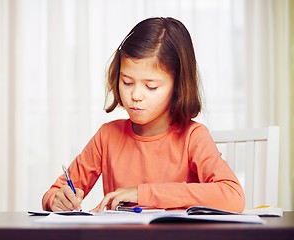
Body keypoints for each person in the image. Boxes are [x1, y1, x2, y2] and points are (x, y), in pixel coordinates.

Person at [42, 17, 245, 213]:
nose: (135, 96)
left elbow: (233, 195)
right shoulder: (107, 136)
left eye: (151, 86)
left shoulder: (193, 137)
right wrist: (56, 200)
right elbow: (54, 193)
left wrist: (143, 193)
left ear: (177, 87)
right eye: (127, 82)